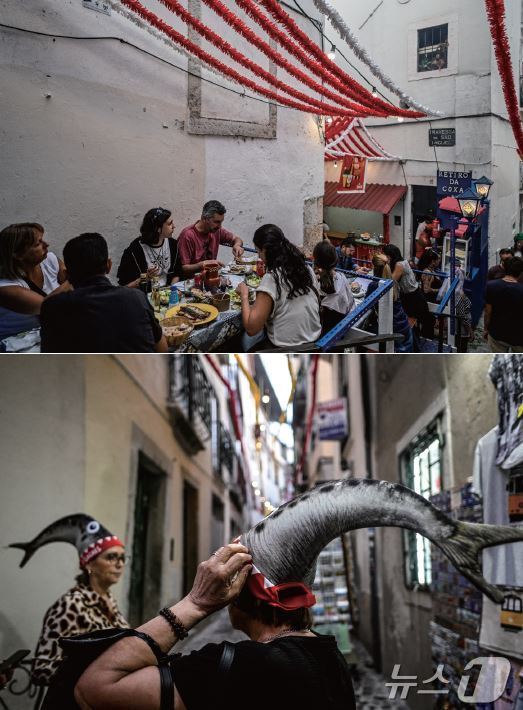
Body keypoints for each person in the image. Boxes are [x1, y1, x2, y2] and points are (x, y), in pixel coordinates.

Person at [74, 542, 356, 710]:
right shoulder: (330, 655)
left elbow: (94, 688)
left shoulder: (235, 665)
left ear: (241, 594)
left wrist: (196, 603)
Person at [8, 514, 129, 685]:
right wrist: (96, 668)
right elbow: (42, 669)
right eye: (111, 557)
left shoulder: (110, 602)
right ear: (89, 565)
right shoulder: (71, 605)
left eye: (123, 558)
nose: (119, 564)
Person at [40, 233, 167, 353]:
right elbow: (162, 349)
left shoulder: (53, 307)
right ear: (109, 265)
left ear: (67, 274)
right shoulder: (136, 298)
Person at [236, 224, 321, 349]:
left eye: (258, 251)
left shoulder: (272, 279)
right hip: (314, 342)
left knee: (245, 340)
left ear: (265, 250)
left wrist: (244, 295)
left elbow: (251, 328)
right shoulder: (306, 268)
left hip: (286, 349)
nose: (259, 256)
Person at [0, 222, 70, 341]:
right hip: (16, 344)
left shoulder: (50, 260)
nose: (46, 244)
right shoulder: (5, 287)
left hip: (48, 335)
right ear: (18, 254)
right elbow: (48, 307)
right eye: (38, 243)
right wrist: (82, 273)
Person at [117, 208, 184, 288]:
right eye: (169, 224)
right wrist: (146, 277)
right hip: (144, 296)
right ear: (158, 229)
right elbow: (124, 288)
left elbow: (177, 273)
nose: (174, 226)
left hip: (168, 293)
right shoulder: (135, 251)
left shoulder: (172, 244)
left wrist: (171, 289)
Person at [177, 200, 244, 276]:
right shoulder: (188, 236)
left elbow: (237, 239)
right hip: (191, 281)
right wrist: (203, 265)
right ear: (205, 218)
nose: (220, 226)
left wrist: (237, 245)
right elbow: (183, 268)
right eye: (216, 222)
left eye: (221, 222)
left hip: (210, 278)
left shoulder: (216, 230)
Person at [366, 253, 413, 353]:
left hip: (393, 330)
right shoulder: (393, 282)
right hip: (404, 325)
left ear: (373, 267)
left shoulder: (374, 285)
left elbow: (366, 305)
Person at [312, 240, 355, 335]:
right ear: (335, 261)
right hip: (339, 331)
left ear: (315, 261)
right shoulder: (342, 278)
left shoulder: (311, 284)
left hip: (319, 334)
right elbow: (350, 305)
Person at [382, 244, 429, 327]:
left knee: (410, 322)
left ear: (389, 256)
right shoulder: (402, 261)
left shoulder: (399, 265)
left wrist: (384, 266)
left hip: (412, 297)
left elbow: (390, 281)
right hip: (411, 294)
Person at [484, 256, 523, 353]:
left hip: (497, 333)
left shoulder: (491, 286)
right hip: (519, 337)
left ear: (504, 268)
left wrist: (486, 328)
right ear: (521, 272)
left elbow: (488, 312)